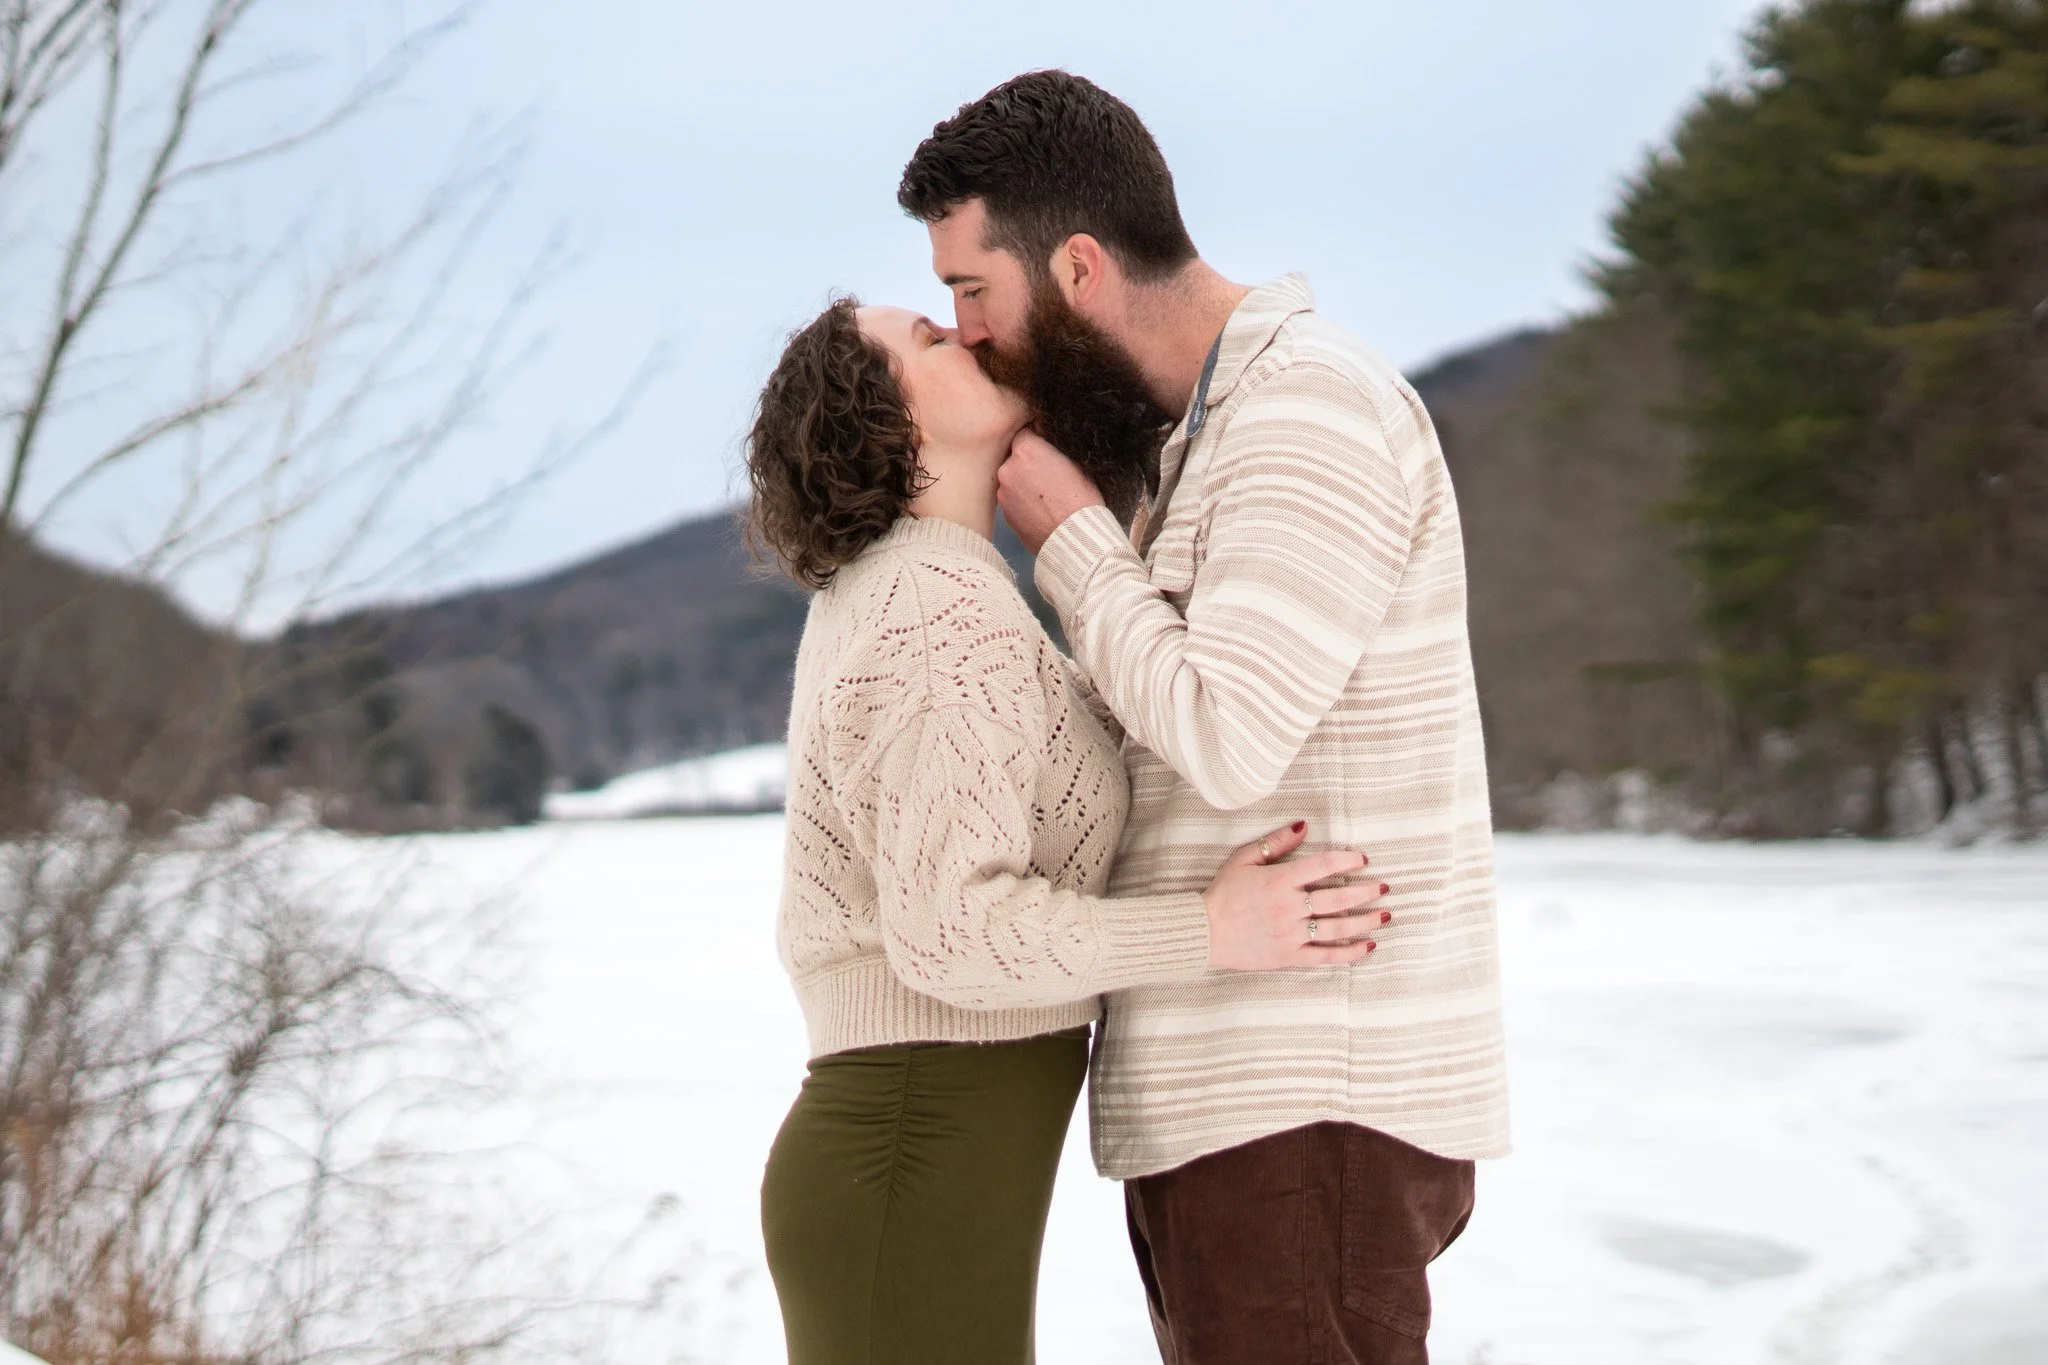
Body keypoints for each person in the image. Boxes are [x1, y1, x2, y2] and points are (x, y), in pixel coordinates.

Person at [896, 70, 1511, 1364]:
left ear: (1076, 267)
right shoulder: (1196, 441)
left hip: (1305, 1103)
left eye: (971, 291)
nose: (961, 334)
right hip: (1244, 1108)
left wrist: (1069, 542)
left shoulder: (1306, 412)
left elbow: (1230, 735)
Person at [746, 295, 1394, 1365]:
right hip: (912, 1143)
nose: (964, 335)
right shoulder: (927, 608)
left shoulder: (943, 591)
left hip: (928, 1148)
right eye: (927, 340)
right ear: (887, 424)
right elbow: (948, 930)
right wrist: (1208, 931)